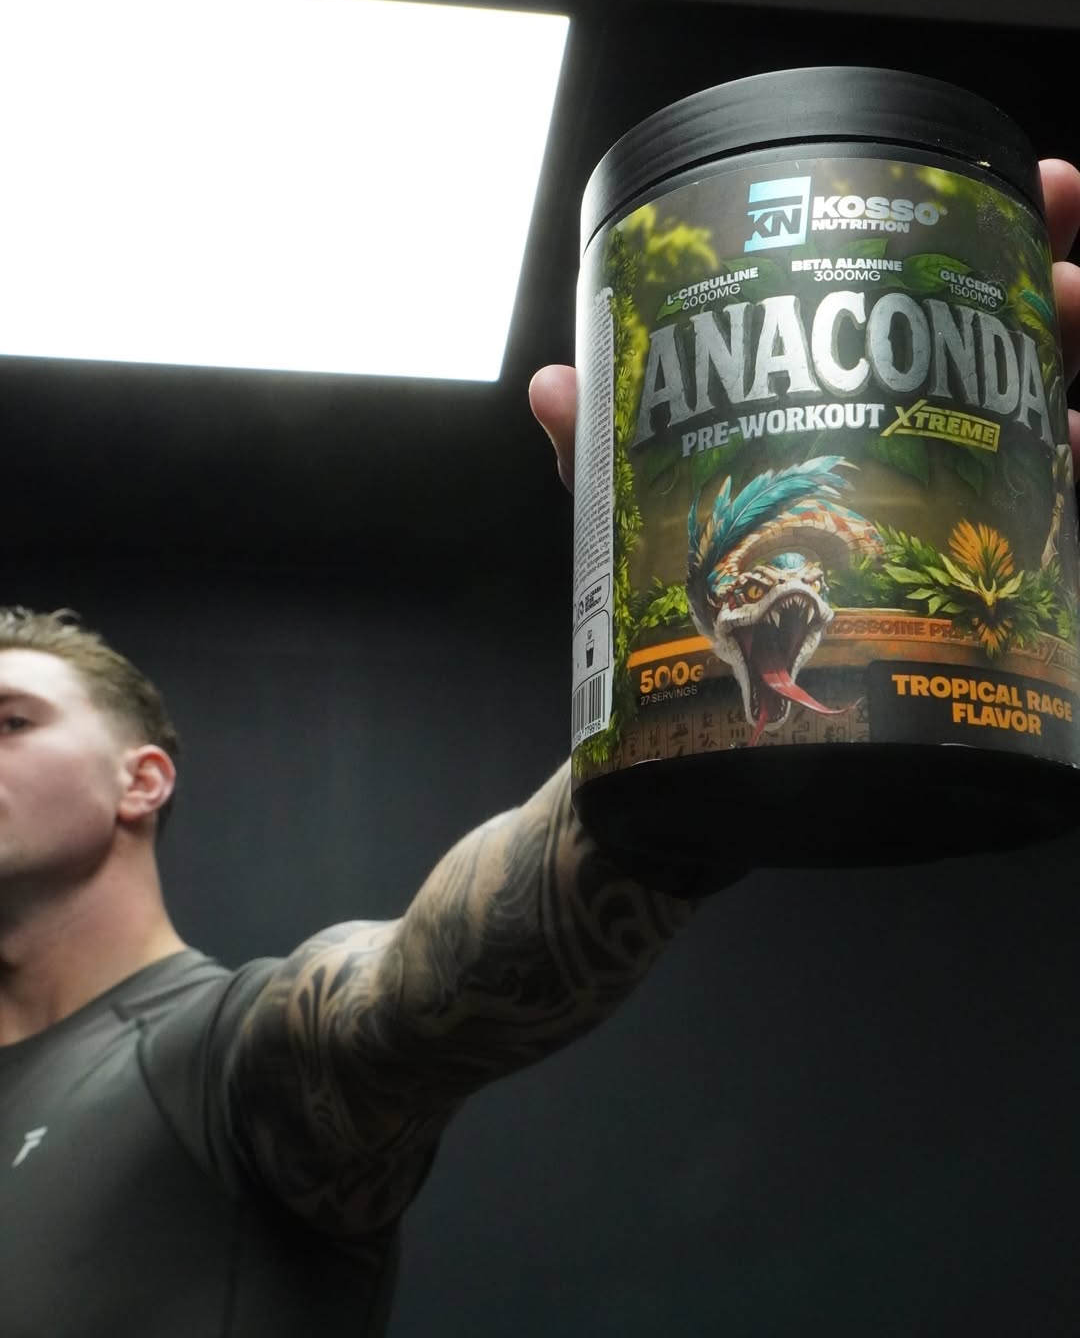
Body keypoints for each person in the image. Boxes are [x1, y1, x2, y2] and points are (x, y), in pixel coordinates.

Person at [3, 159, 1080, 1336]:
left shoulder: (221, 1059)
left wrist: (682, 679)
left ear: (143, 779)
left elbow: (420, 995)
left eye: (11, 722)